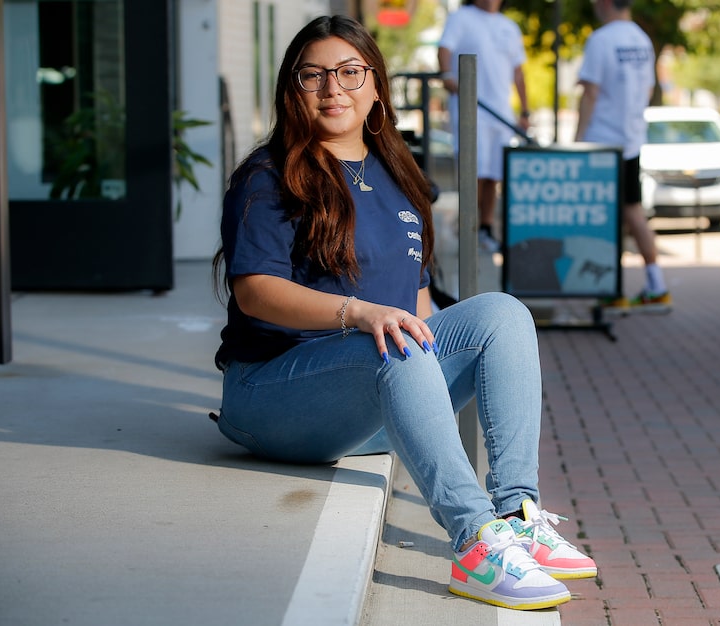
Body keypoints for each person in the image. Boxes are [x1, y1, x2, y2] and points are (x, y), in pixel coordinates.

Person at [211, 14, 596, 611]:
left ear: (376, 86)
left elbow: (418, 305)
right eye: (312, 76)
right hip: (273, 395)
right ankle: (475, 543)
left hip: (372, 390)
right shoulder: (270, 177)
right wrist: (359, 313)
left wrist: (466, 346)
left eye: (349, 72)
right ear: (293, 91)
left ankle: (516, 511)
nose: (332, 89)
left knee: (502, 313)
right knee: (393, 337)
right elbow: (255, 291)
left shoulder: (398, 175)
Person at [574, 0, 671, 313]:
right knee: (633, 210)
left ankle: (610, 290)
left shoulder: (601, 40)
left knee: (603, 218)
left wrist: (578, 140)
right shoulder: (642, 39)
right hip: (630, 141)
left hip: (601, 141)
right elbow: (646, 90)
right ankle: (657, 285)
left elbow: (590, 93)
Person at [437, 0, 530, 253]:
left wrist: (524, 109)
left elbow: (518, 71)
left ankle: (486, 228)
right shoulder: (461, 18)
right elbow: (444, 48)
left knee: (493, 175)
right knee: (473, 171)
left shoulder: (509, 26)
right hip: (471, 109)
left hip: (500, 113)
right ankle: (468, 226)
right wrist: (447, 74)